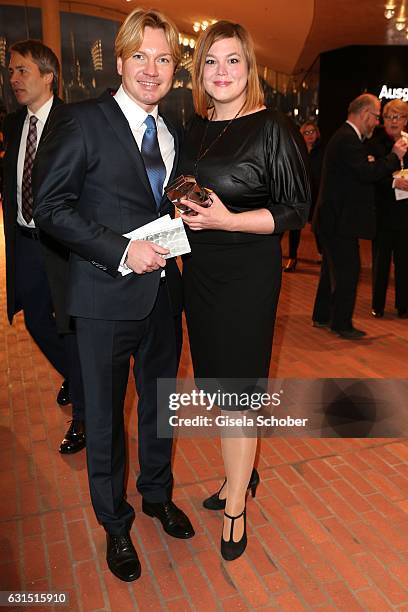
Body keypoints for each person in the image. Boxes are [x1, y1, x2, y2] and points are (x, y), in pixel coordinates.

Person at [33, 9, 194, 583]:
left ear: (175, 67)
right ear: (121, 60)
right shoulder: (83, 121)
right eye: (141, 56)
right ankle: (116, 523)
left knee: (159, 410)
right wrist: (122, 251)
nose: (152, 68)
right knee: (102, 420)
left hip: (163, 300)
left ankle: (155, 495)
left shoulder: (172, 131)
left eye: (164, 58)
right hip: (103, 298)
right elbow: (48, 208)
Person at [177, 20, 310, 561]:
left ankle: (236, 504)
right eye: (212, 61)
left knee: (237, 397)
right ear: (200, 70)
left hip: (247, 276)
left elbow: (296, 207)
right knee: (217, 387)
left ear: (249, 70)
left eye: (233, 60)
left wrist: (229, 222)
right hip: (200, 273)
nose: (222, 71)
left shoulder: (271, 127)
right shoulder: (194, 128)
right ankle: (240, 474)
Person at [2, 40, 85, 453]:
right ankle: (76, 375)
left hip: (63, 248)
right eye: (11, 71)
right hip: (26, 244)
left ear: (48, 75)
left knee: (70, 328)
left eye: (22, 71)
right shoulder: (15, 124)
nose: (13, 78)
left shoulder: (73, 123)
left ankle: (85, 417)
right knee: (35, 320)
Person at [312, 93, 407, 339]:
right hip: (338, 220)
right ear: (365, 114)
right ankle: (341, 324)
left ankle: (322, 316)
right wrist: (394, 156)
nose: (377, 123)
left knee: (330, 271)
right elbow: (366, 173)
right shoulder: (348, 139)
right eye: (377, 117)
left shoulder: (345, 137)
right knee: (348, 271)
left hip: (332, 218)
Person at [367, 99, 408, 319]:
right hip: (383, 212)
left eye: (398, 117)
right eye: (389, 117)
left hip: (405, 213)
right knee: (381, 262)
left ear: (406, 120)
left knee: (404, 262)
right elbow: (372, 175)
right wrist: (394, 182)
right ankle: (378, 305)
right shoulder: (375, 143)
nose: (393, 121)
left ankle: (403, 305)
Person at [284, 120, 323, 272]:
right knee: (295, 226)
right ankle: (292, 258)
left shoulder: (322, 151)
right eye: (306, 133)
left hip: (317, 194)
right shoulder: (296, 151)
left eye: (312, 131)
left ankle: (323, 254)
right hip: (299, 194)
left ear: (317, 133)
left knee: (319, 226)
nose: (309, 135)